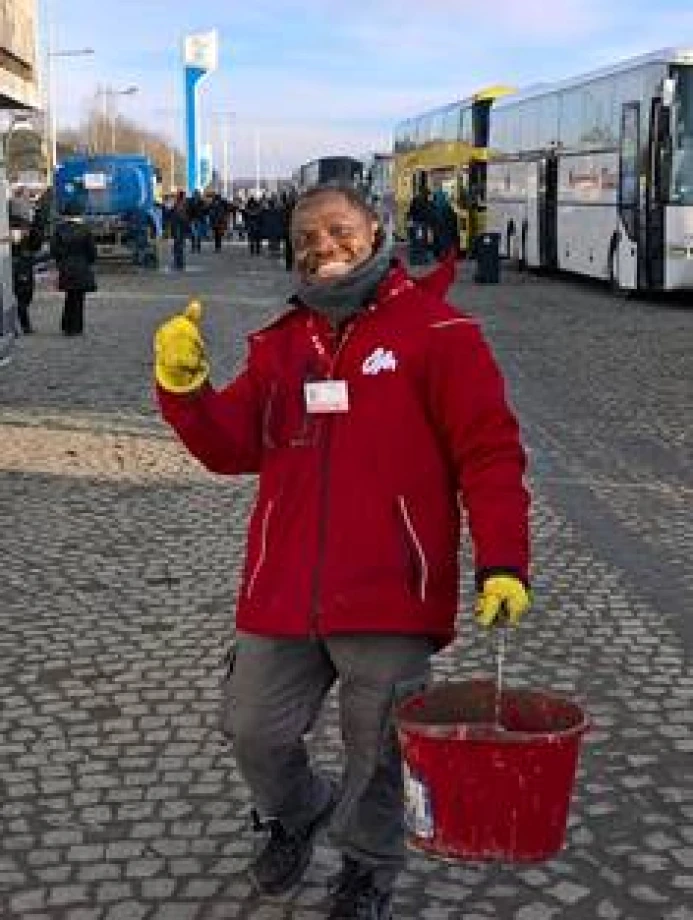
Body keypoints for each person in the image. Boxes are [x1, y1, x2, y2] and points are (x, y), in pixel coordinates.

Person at [153, 184, 531, 920]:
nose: (321, 247)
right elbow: (231, 449)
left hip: (390, 589)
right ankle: (298, 811)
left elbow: (489, 455)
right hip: (283, 587)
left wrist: (503, 562)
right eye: (305, 237)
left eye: (337, 230)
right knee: (252, 728)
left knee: (379, 748)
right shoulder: (279, 343)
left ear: (375, 230)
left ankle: (367, 866)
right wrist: (187, 389)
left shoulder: (439, 331)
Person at [51, 200, 97, 336]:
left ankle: (66, 325)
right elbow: (92, 252)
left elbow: (54, 250)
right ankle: (76, 327)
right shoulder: (85, 230)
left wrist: (61, 261)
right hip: (81, 266)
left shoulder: (59, 229)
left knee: (69, 296)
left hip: (66, 266)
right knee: (79, 298)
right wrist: (88, 262)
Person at [11, 217, 44, 334]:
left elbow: (37, 244)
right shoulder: (15, 234)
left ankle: (22, 325)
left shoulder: (30, 232)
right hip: (21, 268)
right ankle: (24, 326)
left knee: (25, 297)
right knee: (23, 297)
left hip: (24, 266)